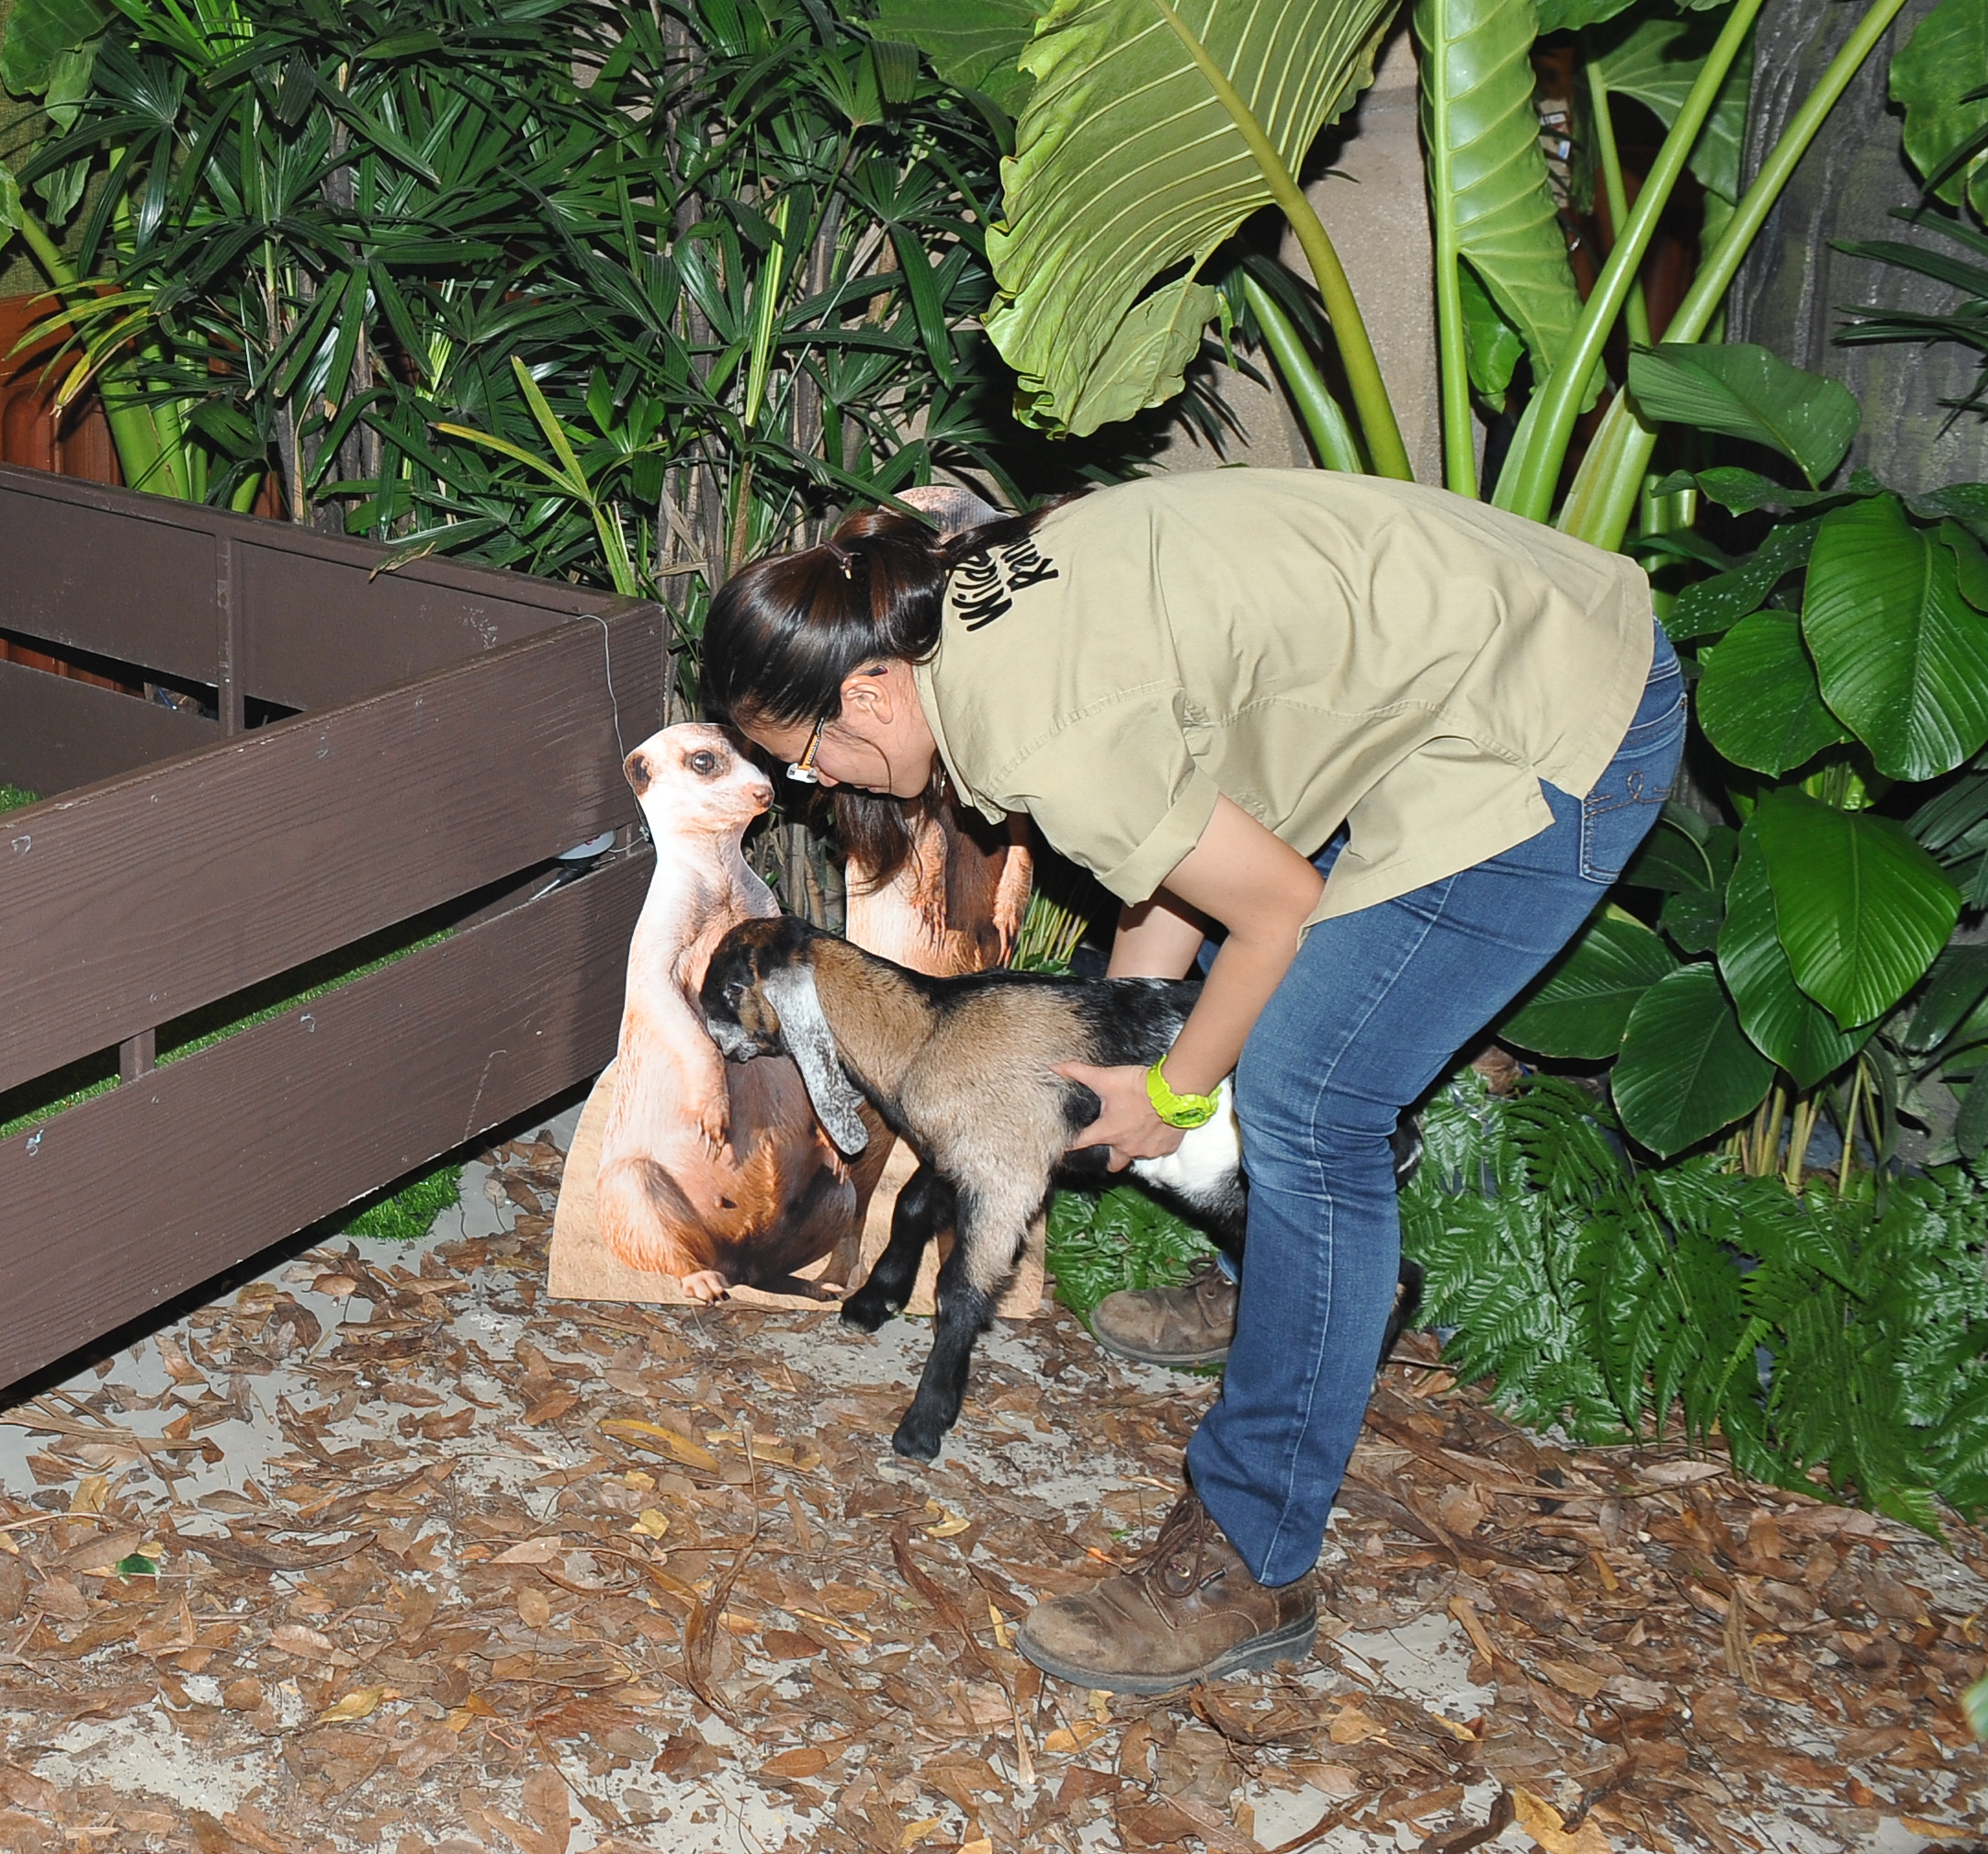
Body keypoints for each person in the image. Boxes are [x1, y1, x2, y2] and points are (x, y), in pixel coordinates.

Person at [696, 468, 1685, 1691]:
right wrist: (1112, 1041)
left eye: (808, 755)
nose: (817, 784)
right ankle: (1286, 1283)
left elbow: (1277, 910)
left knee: (1310, 1099)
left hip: (1550, 721)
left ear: (869, 686)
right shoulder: (973, 608)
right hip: (1469, 660)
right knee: (1221, 1009)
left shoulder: (1045, 733)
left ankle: (1250, 1554)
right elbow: (1167, 853)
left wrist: (1163, 1101)